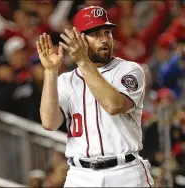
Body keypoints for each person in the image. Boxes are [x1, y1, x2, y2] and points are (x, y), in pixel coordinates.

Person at [37, 6, 154, 187]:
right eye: (95, 34)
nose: (104, 39)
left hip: (125, 172)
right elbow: (49, 123)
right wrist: (50, 71)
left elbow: (113, 105)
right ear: (78, 38)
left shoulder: (128, 70)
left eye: (107, 32)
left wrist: (83, 60)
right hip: (80, 175)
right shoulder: (66, 80)